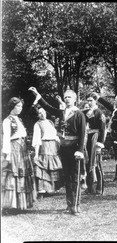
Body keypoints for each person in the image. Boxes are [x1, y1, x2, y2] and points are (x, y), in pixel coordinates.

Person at [29, 87, 86, 216]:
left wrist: (80, 150)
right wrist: (38, 95)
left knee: (75, 177)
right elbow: (48, 107)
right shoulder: (62, 112)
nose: (67, 99)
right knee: (67, 177)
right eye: (65, 97)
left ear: (75, 99)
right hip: (63, 149)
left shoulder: (79, 114)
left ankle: (76, 205)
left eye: (69, 97)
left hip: (75, 149)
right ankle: (69, 205)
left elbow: (83, 134)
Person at [2, 97, 36, 212]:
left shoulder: (19, 120)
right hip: (14, 149)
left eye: (21, 106)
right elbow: (6, 139)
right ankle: (12, 204)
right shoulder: (7, 121)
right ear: (12, 106)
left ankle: (22, 203)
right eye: (18, 106)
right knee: (14, 173)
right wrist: (7, 154)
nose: (20, 109)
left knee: (23, 172)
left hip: (22, 148)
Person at [32, 105, 63, 199]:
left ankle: (52, 188)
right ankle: (42, 190)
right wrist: (36, 154)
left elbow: (55, 135)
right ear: (37, 115)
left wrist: (61, 143)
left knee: (53, 167)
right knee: (44, 167)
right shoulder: (37, 124)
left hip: (54, 147)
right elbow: (37, 140)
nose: (42, 114)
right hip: (44, 147)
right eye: (40, 113)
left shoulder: (50, 122)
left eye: (43, 112)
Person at [98, 94, 117, 183]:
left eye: (115, 100)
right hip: (114, 135)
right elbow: (109, 106)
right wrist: (99, 98)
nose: (114, 102)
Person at [81, 92, 106, 194]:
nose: (89, 102)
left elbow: (103, 129)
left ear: (95, 101)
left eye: (91, 100)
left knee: (97, 163)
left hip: (96, 139)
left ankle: (99, 188)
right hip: (88, 138)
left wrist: (100, 143)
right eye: (88, 100)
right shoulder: (87, 112)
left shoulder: (99, 113)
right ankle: (90, 187)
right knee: (88, 163)